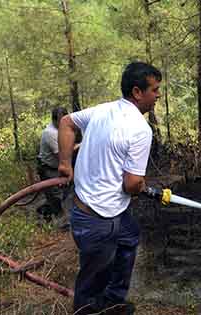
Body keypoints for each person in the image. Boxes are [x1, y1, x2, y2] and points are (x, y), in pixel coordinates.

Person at [58, 62, 166, 315]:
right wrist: (141, 186)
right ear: (138, 92)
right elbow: (131, 185)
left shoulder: (103, 110)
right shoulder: (140, 129)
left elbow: (66, 122)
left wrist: (65, 163)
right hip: (100, 220)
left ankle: (113, 301)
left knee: (130, 237)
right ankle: (90, 309)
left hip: (87, 210)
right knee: (92, 283)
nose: (158, 95)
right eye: (155, 90)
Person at [36, 107, 69, 220]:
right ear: (55, 120)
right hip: (48, 169)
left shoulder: (62, 129)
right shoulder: (50, 133)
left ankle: (45, 210)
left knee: (61, 193)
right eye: (61, 120)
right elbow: (61, 154)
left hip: (56, 167)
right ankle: (61, 222)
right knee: (56, 195)